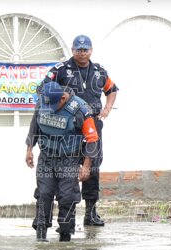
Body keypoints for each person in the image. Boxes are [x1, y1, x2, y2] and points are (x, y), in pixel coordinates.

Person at [39, 34, 118, 226]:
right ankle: (64, 215)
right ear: (72, 50)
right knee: (64, 167)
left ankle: (91, 213)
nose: (82, 53)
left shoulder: (99, 71)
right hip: (68, 128)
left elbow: (112, 89)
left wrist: (107, 108)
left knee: (93, 167)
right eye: (79, 49)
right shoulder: (61, 70)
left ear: (91, 50)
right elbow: (42, 89)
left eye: (86, 49)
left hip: (93, 125)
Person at [26, 82, 99, 242]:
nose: (49, 107)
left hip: (69, 160)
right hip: (46, 158)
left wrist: (86, 166)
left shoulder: (80, 108)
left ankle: (65, 236)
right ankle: (41, 233)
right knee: (44, 195)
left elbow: (92, 139)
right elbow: (34, 126)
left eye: (53, 104)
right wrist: (29, 148)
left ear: (63, 97)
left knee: (67, 197)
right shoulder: (43, 102)